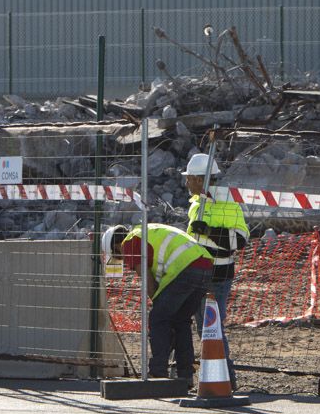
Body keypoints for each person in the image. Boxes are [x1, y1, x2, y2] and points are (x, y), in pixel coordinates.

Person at [101, 223, 213, 385]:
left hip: (186, 268)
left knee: (158, 319)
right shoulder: (147, 231)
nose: (124, 261)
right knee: (181, 322)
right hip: (205, 265)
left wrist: (159, 304)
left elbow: (147, 279)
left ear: (116, 246)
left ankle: (158, 373)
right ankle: (185, 376)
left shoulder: (130, 242)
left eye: (119, 257)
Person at [182, 153, 249, 390]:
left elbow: (239, 241)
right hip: (196, 274)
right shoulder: (197, 204)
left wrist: (209, 231)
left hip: (217, 275)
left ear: (201, 180)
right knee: (200, 326)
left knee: (212, 328)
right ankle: (204, 374)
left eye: (190, 178)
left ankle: (225, 377)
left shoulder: (228, 203)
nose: (187, 183)